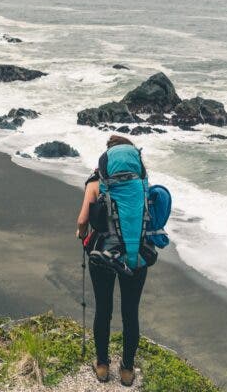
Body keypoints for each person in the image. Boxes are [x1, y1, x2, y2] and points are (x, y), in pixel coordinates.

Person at [76, 134, 149, 386]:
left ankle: (103, 366)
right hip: (135, 257)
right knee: (130, 313)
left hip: (102, 257)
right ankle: (127, 370)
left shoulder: (96, 184)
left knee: (103, 310)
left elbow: (82, 221)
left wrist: (81, 234)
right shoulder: (143, 184)